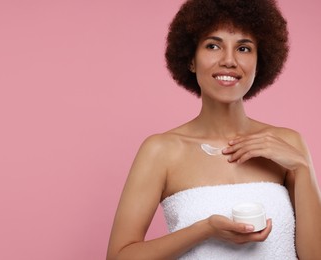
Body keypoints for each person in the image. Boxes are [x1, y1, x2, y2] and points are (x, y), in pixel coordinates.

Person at [107, 0, 321, 259]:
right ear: (191, 60)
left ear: (259, 61)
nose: (229, 60)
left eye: (243, 48)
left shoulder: (288, 143)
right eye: (213, 46)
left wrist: (302, 168)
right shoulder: (161, 151)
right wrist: (205, 229)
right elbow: (119, 256)